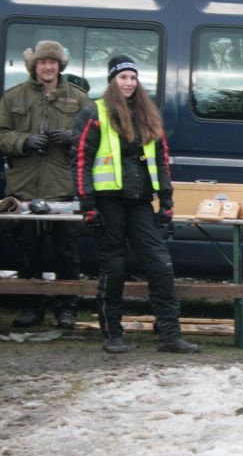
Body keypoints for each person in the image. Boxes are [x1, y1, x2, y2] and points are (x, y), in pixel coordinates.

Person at [73, 55, 198, 354]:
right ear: (112, 81)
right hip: (108, 203)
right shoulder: (94, 112)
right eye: (122, 77)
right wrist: (87, 203)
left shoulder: (148, 114)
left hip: (141, 202)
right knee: (114, 269)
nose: (128, 83)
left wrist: (166, 200)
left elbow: (161, 161)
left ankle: (170, 335)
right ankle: (113, 335)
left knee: (161, 265)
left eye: (133, 77)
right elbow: (81, 160)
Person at [0, 41, 91, 329]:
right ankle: (31, 307)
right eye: (42, 62)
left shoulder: (79, 99)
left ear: (60, 65)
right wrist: (23, 141)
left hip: (64, 188)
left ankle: (67, 308)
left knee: (67, 251)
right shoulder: (12, 96)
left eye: (53, 62)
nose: (48, 67)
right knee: (28, 251)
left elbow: (95, 138)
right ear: (34, 66)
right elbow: (1, 134)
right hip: (24, 188)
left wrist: (71, 138)